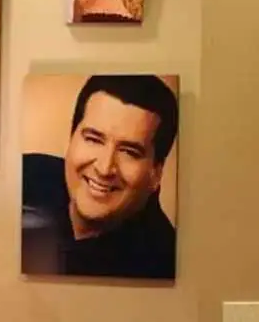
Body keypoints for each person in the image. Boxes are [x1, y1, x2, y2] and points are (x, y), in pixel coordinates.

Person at [21, 75, 178, 279]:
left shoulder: (161, 265)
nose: (104, 169)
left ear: (156, 172)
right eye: (94, 140)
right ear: (72, 139)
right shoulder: (24, 177)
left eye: (129, 152)